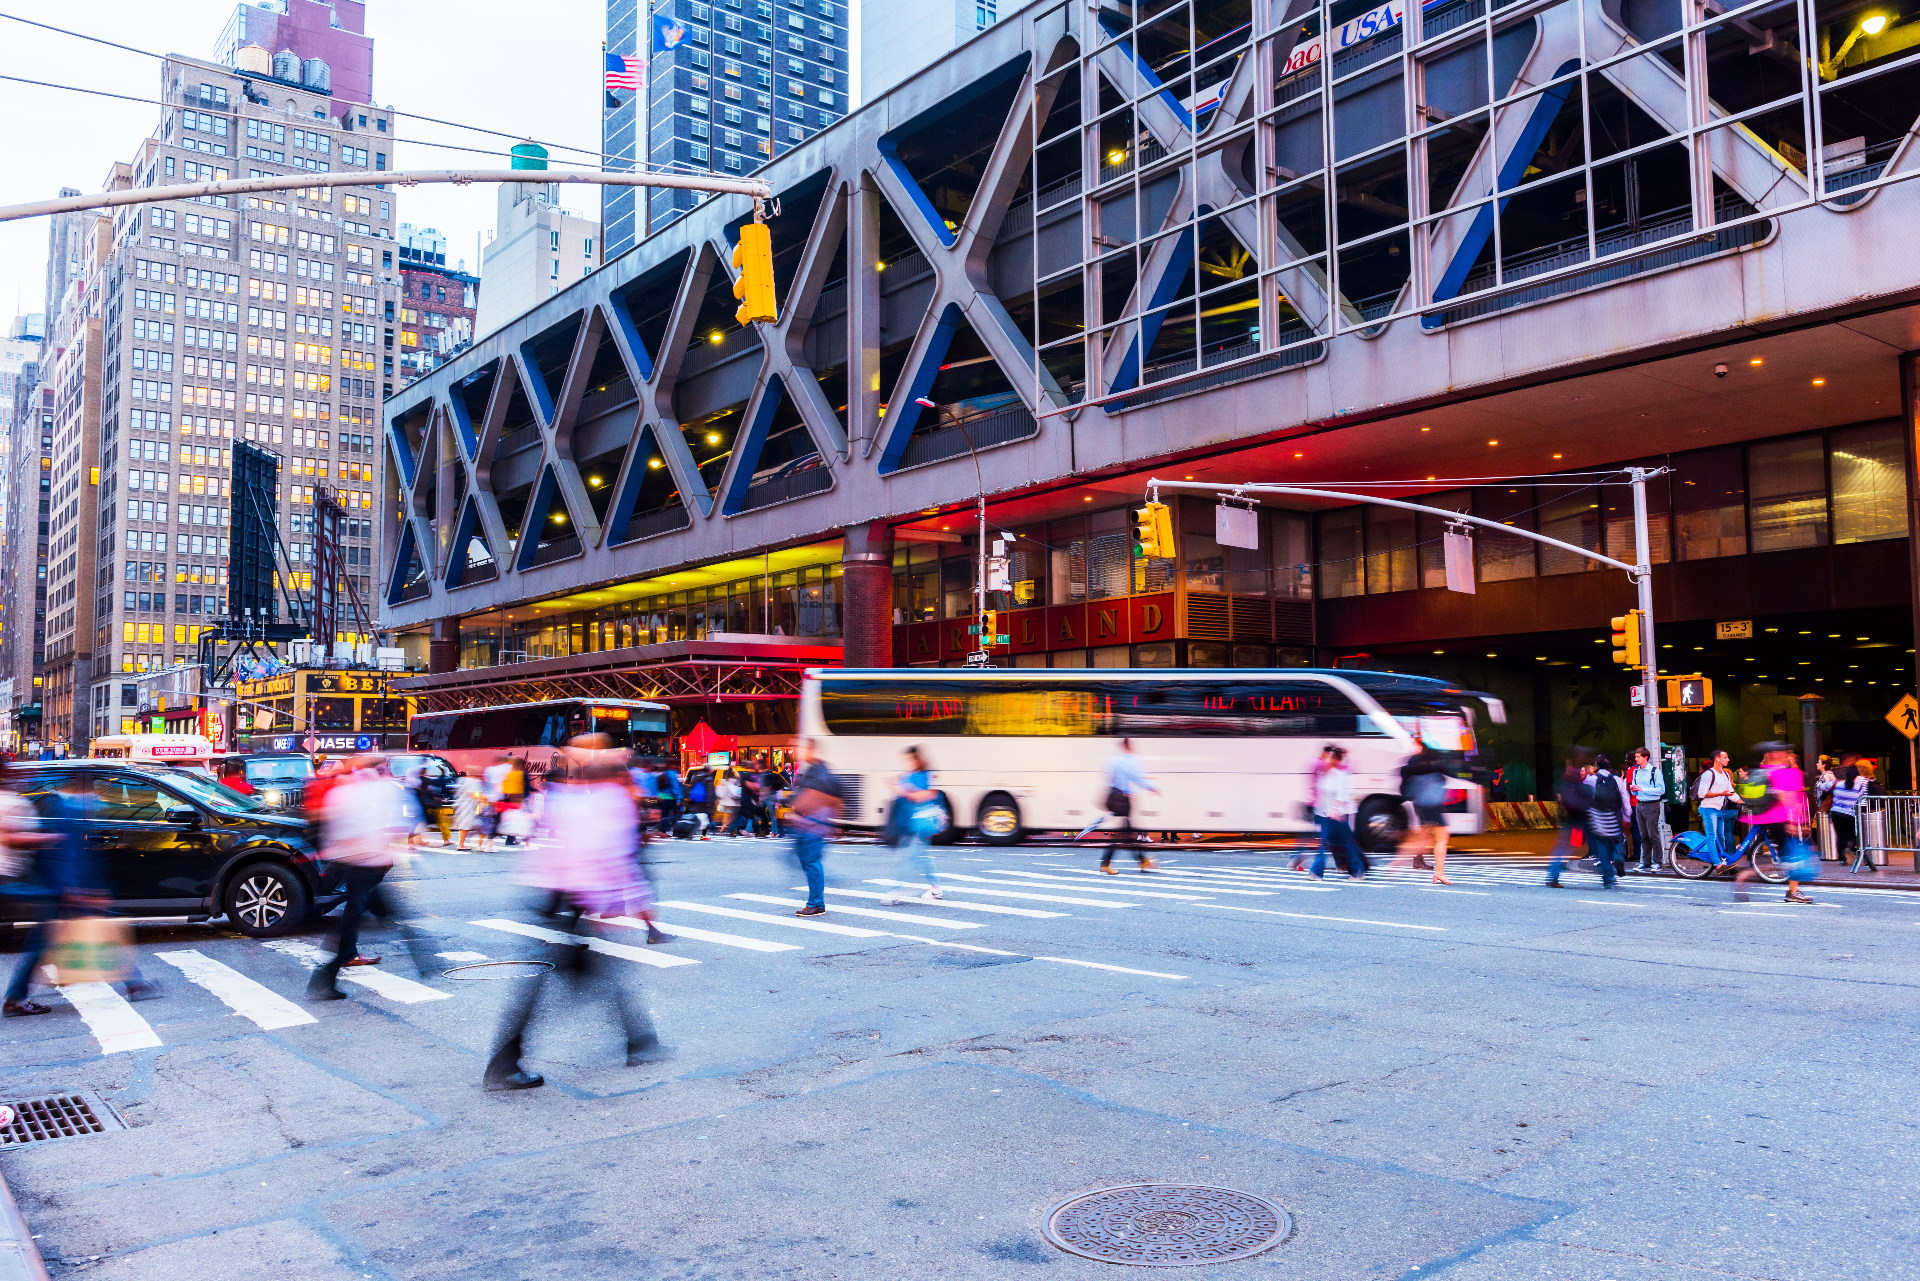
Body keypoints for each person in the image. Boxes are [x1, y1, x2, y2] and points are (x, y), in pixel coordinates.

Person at [484, 744, 667, 1091]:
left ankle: (640, 1041)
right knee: (549, 982)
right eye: (631, 784)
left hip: (555, 898)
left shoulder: (575, 800)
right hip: (571, 899)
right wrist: (629, 908)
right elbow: (609, 858)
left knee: (598, 972)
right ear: (618, 782)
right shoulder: (611, 805)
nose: (638, 792)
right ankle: (504, 1064)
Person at [6, 772, 158, 1016]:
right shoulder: (62, 809)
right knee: (89, 935)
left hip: (61, 887)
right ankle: (134, 982)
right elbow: (64, 854)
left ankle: (134, 981)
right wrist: (75, 889)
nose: (100, 797)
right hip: (62, 889)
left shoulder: (61, 806)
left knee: (51, 941)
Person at [307, 754, 423, 1000]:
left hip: (354, 863)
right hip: (366, 864)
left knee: (362, 915)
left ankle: (422, 955)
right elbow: (398, 823)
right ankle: (324, 977)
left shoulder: (342, 791)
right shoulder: (374, 791)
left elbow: (329, 828)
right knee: (356, 919)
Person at [1735, 743, 1815, 905]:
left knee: (1789, 858)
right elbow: (1784, 796)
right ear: (1776, 753)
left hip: (1774, 819)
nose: (1789, 755)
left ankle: (1792, 891)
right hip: (1780, 820)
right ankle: (1746, 877)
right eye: (1787, 752)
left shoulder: (1770, 770)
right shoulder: (1780, 772)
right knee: (1792, 859)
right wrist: (1793, 823)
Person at [881, 747, 944, 904]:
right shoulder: (907, 776)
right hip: (910, 824)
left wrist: (902, 790)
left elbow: (927, 795)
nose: (907, 763)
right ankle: (936, 889)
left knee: (907, 857)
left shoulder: (927, 775)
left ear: (917, 759)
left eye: (910, 759)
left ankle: (896, 891)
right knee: (923, 857)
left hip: (922, 822)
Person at [787, 741, 844, 916]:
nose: (798, 752)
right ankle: (818, 898)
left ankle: (817, 903)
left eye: (801, 748)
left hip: (814, 826)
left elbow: (825, 797)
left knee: (811, 862)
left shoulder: (820, 772)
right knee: (804, 860)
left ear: (811, 750)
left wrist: (835, 823)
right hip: (808, 825)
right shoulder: (814, 770)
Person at [1099, 738, 1159, 875]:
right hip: (1123, 800)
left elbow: (1109, 780)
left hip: (1116, 798)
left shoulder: (1114, 760)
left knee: (1125, 832)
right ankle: (1141, 861)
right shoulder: (1127, 761)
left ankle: (1140, 860)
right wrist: (1153, 787)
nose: (1132, 748)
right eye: (1131, 745)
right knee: (1126, 832)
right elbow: (1137, 778)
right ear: (1127, 745)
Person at [1545, 748, 1600, 888]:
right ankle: (1608, 876)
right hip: (1579, 819)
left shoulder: (1565, 781)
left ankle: (1553, 874)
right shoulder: (1579, 783)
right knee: (1600, 842)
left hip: (1568, 819)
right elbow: (1588, 799)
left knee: (1562, 847)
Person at [1309, 747, 1365, 880]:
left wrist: (1335, 809)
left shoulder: (1341, 775)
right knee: (1333, 843)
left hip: (1338, 815)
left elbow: (1342, 794)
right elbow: (1321, 792)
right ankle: (1356, 871)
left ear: (1335, 759)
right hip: (1326, 814)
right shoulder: (1327, 774)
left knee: (1344, 843)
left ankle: (1357, 871)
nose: (1327, 760)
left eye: (1330, 757)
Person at [1397, 745, 1452, 883]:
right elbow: (1444, 776)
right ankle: (1438, 872)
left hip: (1421, 804)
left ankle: (1412, 862)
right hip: (1431, 805)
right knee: (1440, 838)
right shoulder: (1429, 765)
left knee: (1424, 836)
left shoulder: (1414, 763)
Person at [1582, 754, 1628, 885]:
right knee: (1617, 840)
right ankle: (1618, 858)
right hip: (1614, 816)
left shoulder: (1591, 780)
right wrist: (1627, 814)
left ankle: (1609, 878)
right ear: (1609, 766)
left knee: (1602, 847)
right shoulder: (1617, 780)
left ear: (1597, 766)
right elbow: (1625, 797)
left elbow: (1586, 797)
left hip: (1598, 819)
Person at [1628, 747, 1667, 874]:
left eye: (1638, 756)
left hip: (1652, 804)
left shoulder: (1655, 771)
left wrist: (1642, 789)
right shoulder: (1635, 771)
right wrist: (1633, 789)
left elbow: (1661, 790)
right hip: (1640, 804)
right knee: (1643, 835)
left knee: (1653, 835)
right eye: (1636, 756)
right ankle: (1645, 862)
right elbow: (1635, 789)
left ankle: (1657, 862)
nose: (1636, 758)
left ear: (1645, 757)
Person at [1695, 749, 1736, 860]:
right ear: (1718, 759)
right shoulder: (1709, 774)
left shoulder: (1725, 775)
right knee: (1712, 836)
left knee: (1721, 837)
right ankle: (1717, 864)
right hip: (1708, 808)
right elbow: (1702, 793)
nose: (1728, 759)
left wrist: (1742, 801)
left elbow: (1731, 792)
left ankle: (1723, 859)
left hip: (1719, 809)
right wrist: (1721, 793)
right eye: (1725, 757)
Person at [1829, 764, 1869, 866]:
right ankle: (1850, 847)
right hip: (1850, 813)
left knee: (1840, 835)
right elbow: (1863, 797)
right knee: (1851, 834)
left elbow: (1821, 786)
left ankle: (1842, 857)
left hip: (1836, 813)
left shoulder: (1839, 784)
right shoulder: (1858, 785)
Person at [452, 770, 484, 851]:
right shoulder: (474, 782)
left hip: (461, 805)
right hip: (468, 806)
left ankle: (461, 843)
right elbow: (472, 794)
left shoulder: (462, 780)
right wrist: (479, 797)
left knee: (464, 826)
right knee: (465, 826)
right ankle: (461, 844)